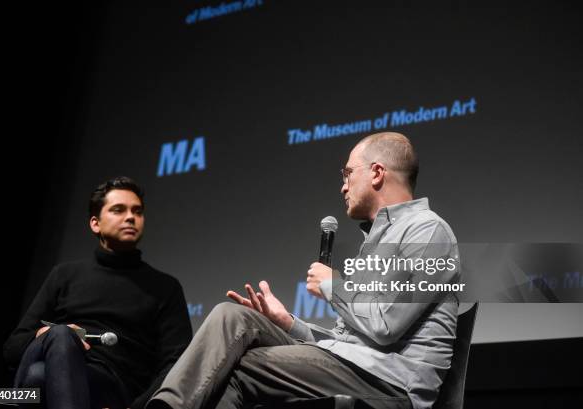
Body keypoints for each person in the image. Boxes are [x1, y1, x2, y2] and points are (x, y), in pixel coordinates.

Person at [148, 132, 460, 409]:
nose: (342, 186)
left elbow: (385, 326)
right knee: (232, 317)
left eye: (348, 174)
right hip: (357, 365)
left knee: (237, 368)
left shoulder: (429, 231)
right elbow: (350, 339)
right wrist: (288, 323)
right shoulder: (376, 242)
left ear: (377, 173)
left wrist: (333, 285)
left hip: (390, 381)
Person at [3, 176, 193, 409]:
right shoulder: (64, 275)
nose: (131, 217)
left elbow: (176, 364)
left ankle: (4, 401)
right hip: (56, 365)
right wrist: (48, 334)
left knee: (32, 378)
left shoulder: (165, 287)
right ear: (95, 223)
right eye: (118, 210)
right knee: (59, 339)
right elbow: (12, 348)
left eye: (137, 211)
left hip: (115, 388)